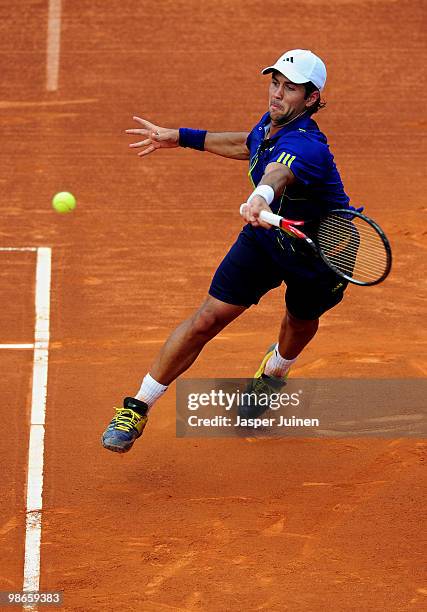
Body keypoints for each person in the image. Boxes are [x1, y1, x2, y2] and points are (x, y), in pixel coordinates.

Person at [102, 49, 352, 453]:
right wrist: (181, 137)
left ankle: (273, 374)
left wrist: (259, 196)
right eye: (275, 82)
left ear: (311, 98)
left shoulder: (308, 146)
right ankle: (136, 407)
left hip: (321, 251)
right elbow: (247, 144)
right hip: (268, 236)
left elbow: (279, 173)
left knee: (299, 322)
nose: (277, 93)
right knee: (207, 318)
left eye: (290, 88)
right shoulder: (271, 125)